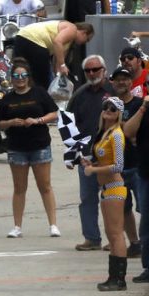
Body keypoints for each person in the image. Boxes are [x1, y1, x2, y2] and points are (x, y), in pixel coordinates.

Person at [0, 58, 59, 238]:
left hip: (39, 145)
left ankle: (53, 224)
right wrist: (11, 122)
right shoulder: (8, 98)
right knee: (19, 187)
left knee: (45, 185)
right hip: (17, 147)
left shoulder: (39, 93)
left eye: (23, 75)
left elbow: (54, 113)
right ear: (12, 78)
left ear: (28, 77)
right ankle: (17, 226)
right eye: (16, 75)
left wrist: (37, 120)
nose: (20, 78)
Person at [67, 55, 114, 251]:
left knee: (112, 199)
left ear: (104, 69)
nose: (92, 73)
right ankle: (92, 238)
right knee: (87, 199)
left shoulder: (114, 92)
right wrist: (72, 154)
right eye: (88, 70)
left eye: (96, 69)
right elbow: (69, 125)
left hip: (110, 156)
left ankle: (115, 239)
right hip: (86, 157)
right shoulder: (79, 95)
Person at [83, 97, 128, 291]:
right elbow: (105, 161)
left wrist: (94, 171)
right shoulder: (105, 133)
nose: (108, 110)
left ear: (119, 113)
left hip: (115, 187)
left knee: (116, 234)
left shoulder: (116, 134)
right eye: (106, 107)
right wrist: (91, 164)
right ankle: (113, 276)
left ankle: (119, 279)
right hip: (106, 189)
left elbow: (118, 165)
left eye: (113, 108)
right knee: (111, 234)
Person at [112, 68, 143, 259]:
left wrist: (125, 129)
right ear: (113, 83)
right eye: (118, 80)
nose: (121, 83)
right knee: (124, 209)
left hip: (138, 165)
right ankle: (135, 243)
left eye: (125, 79)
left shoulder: (140, 105)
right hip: (118, 166)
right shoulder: (110, 105)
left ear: (131, 82)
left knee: (144, 207)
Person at [14, 20, 94, 90]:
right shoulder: (72, 29)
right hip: (35, 41)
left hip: (21, 37)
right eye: (87, 40)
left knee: (23, 73)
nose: (84, 43)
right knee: (42, 81)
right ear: (84, 33)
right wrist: (62, 65)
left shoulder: (67, 44)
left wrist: (58, 75)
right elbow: (57, 41)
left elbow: (57, 61)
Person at [124, 92, 149, 282]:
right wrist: (142, 109)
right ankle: (148, 267)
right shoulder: (141, 106)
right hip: (145, 173)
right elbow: (128, 132)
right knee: (146, 223)